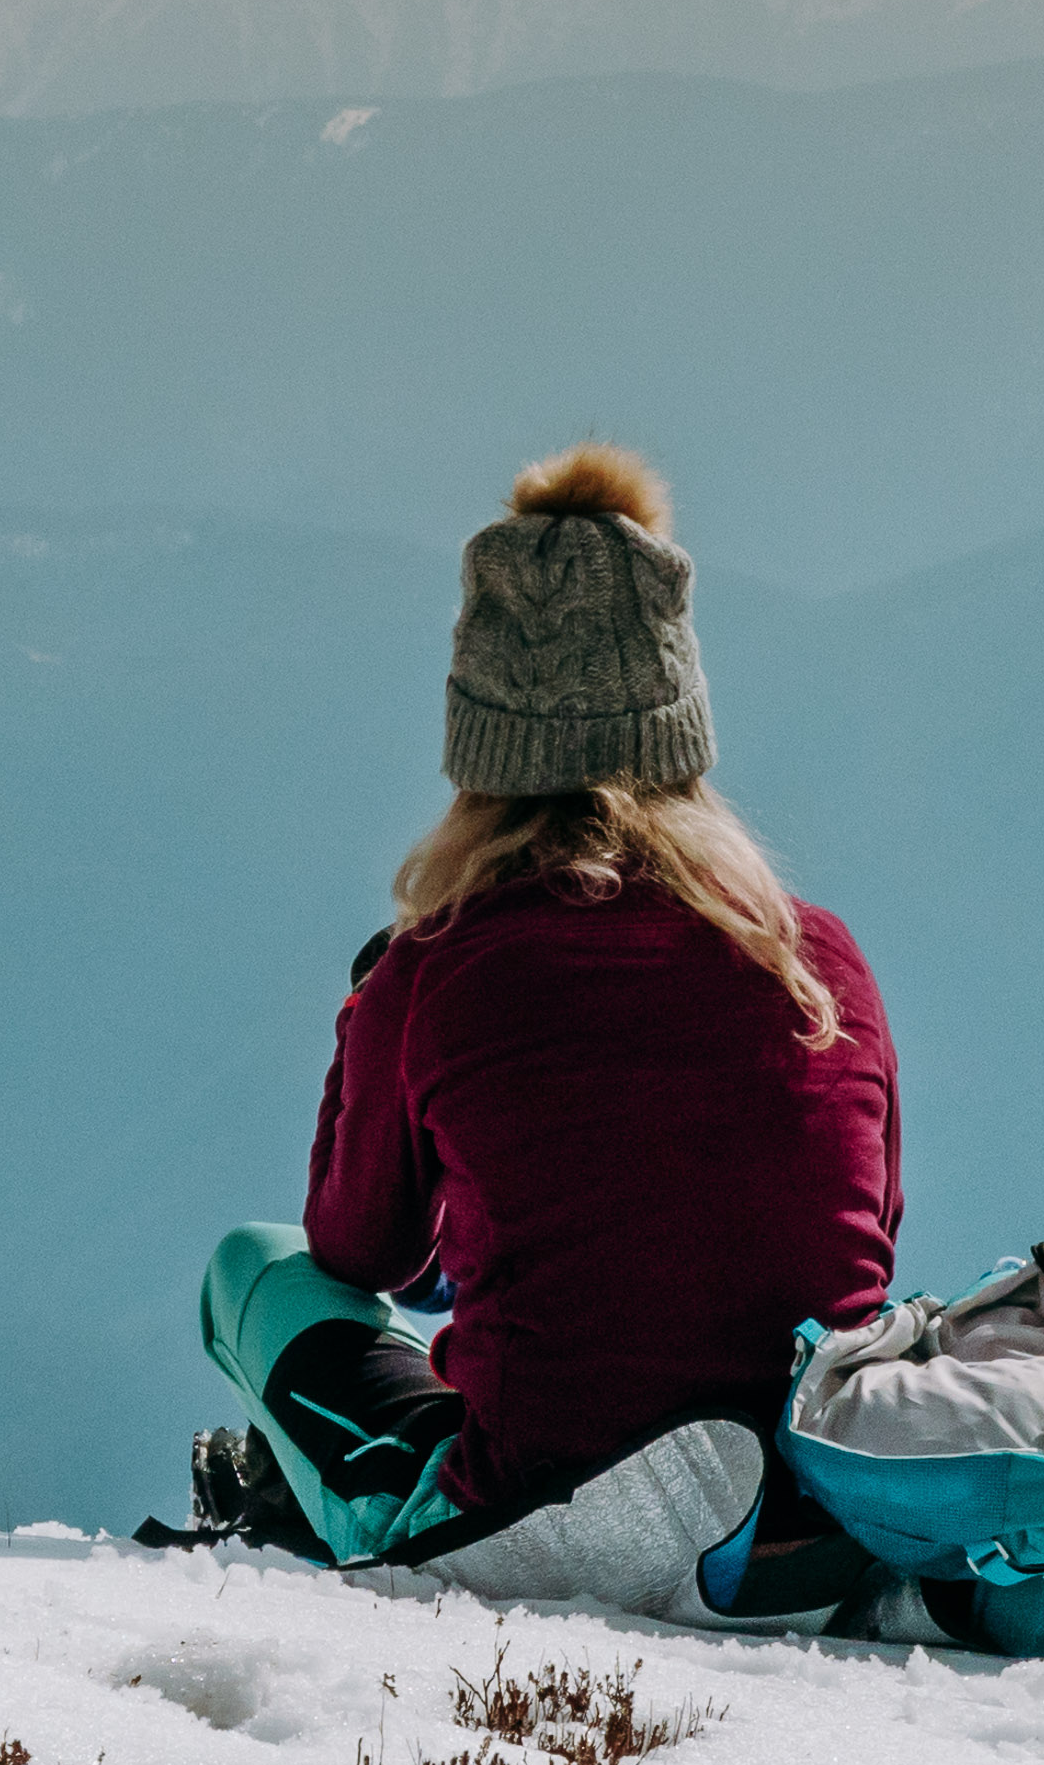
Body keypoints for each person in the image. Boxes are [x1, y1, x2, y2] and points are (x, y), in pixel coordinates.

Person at [170, 444, 900, 1615]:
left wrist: (368, 1018)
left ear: (478, 753)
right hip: (805, 1512)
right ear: (684, 738)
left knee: (249, 1268)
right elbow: (860, 1242)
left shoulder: (440, 961)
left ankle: (343, 1510)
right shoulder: (820, 958)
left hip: (531, 1510)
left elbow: (360, 1250)